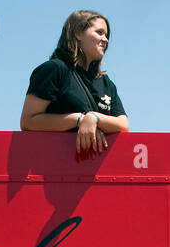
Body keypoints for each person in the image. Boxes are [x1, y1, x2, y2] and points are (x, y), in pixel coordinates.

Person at [21, 10, 129, 153]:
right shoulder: (54, 70)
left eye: (107, 35)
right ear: (78, 33)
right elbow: (28, 121)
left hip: (95, 170)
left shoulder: (105, 82)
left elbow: (123, 124)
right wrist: (79, 119)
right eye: (99, 32)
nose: (105, 39)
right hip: (53, 165)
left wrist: (94, 118)